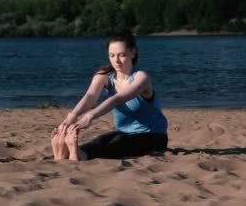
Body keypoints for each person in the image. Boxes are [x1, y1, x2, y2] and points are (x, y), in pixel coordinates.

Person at [51, 30, 168, 161]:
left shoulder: (141, 78)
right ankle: (69, 153)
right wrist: (72, 116)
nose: (116, 60)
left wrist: (90, 116)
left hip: (154, 136)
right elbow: (90, 97)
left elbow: (117, 99)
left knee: (120, 142)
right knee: (101, 140)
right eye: (112, 55)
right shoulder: (104, 76)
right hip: (125, 132)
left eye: (122, 55)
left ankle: (80, 155)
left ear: (133, 53)